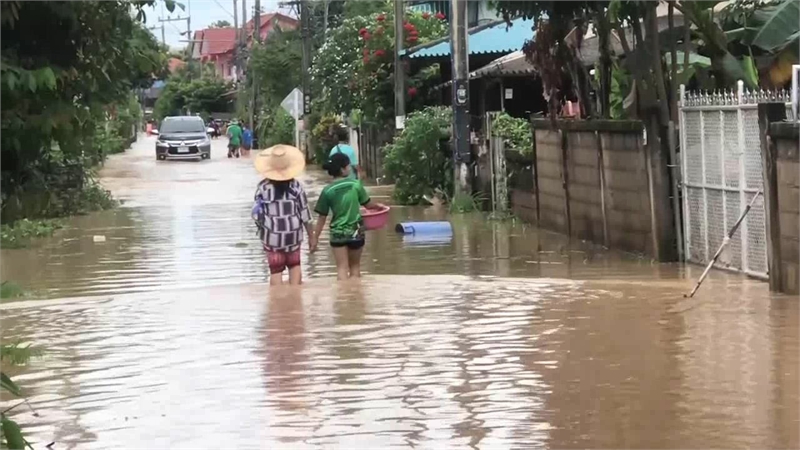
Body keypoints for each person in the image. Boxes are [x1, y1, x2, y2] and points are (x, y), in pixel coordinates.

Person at [311, 153, 383, 280]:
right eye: (349, 166)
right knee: (355, 267)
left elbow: (322, 217)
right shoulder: (356, 185)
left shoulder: (327, 191)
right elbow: (368, 205)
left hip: (337, 233)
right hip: (355, 232)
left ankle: (343, 292)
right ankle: (355, 291)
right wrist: (379, 206)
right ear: (342, 169)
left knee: (341, 268)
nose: (350, 168)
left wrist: (315, 237)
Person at [252, 144, 315, 286]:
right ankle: (296, 296)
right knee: (295, 265)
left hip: (272, 237)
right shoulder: (296, 186)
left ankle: (277, 298)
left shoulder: (263, 188)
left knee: (276, 271)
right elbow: (305, 214)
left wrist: (264, 230)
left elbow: (257, 214)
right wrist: (312, 237)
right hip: (293, 236)